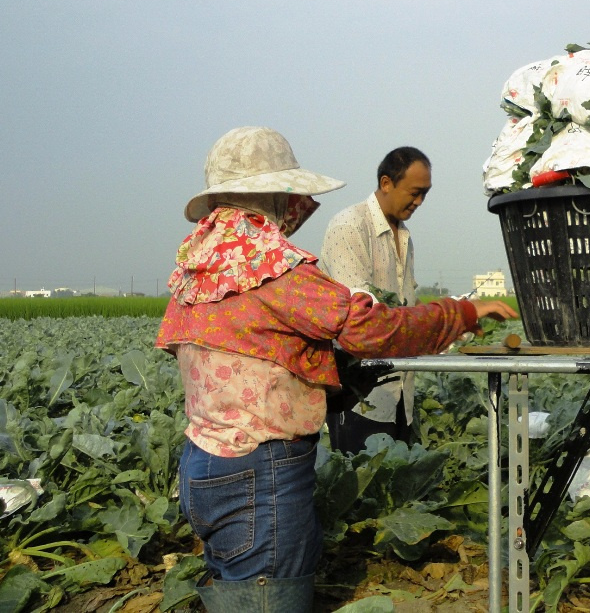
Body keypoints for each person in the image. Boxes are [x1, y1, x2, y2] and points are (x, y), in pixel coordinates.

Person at [156, 127, 515, 612]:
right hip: (261, 471)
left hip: (202, 465)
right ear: (277, 195)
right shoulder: (271, 267)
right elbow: (369, 329)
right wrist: (461, 314)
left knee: (233, 594)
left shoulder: (196, 269)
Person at [319, 147, 433, 452]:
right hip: (359, 397)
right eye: (414, 192)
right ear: (386, 183)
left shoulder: (405, 236)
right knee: (358, 489)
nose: (419, 201)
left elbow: (403, 307)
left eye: (425, 193)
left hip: (400, 395)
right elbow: (359, 316)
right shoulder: (349, 227)